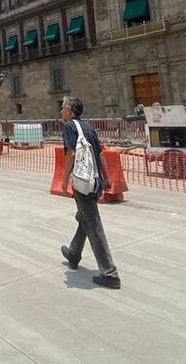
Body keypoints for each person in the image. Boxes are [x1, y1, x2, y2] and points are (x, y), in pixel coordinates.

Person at [59, 95, 121, 289]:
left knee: (93, 224)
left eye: (63, 108)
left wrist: (64, 179)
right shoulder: (88, 127)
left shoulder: (70, 126)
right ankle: (74, 254)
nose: (61, 111)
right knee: (84, 217)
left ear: (70, 111)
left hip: (83, 182)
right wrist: (107, 178)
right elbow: (100, 153)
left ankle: (110, 273)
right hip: (95, 181)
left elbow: (71, 153)